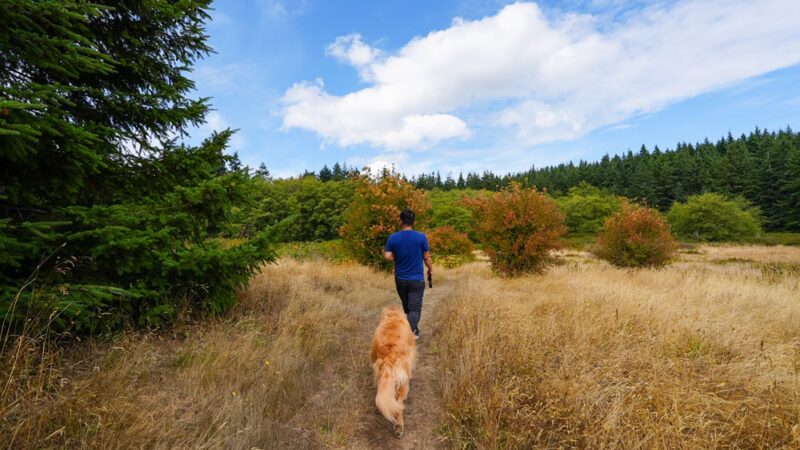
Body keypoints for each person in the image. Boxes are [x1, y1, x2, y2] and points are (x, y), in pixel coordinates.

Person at [383, 209, 432, 339]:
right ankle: (407, 334)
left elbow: (387, 256)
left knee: (407, 307)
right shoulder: (421, 237)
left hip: (400, 279)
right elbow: (426, 257)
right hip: (417, 279)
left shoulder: (393, 237)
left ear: (401, 221)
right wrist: (430, 269)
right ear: (413, 222)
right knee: (415, 308)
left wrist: (397, 256)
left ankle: (413, 330)